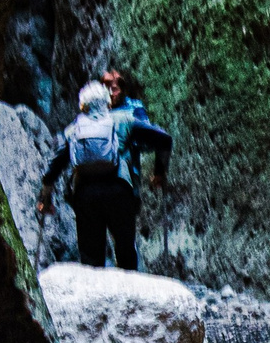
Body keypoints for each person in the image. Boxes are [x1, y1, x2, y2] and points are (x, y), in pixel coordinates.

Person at [38, 81, 172, 270]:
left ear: (82, 106)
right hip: (120, 191)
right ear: (108, 104)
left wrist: (45, 198)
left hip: (85, 195)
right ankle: (130, 286)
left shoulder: (75, 127)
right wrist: (159, 172)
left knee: (91, 259)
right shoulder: (125, 120)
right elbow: (164, 140)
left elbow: (55, 165)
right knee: (126, 251)